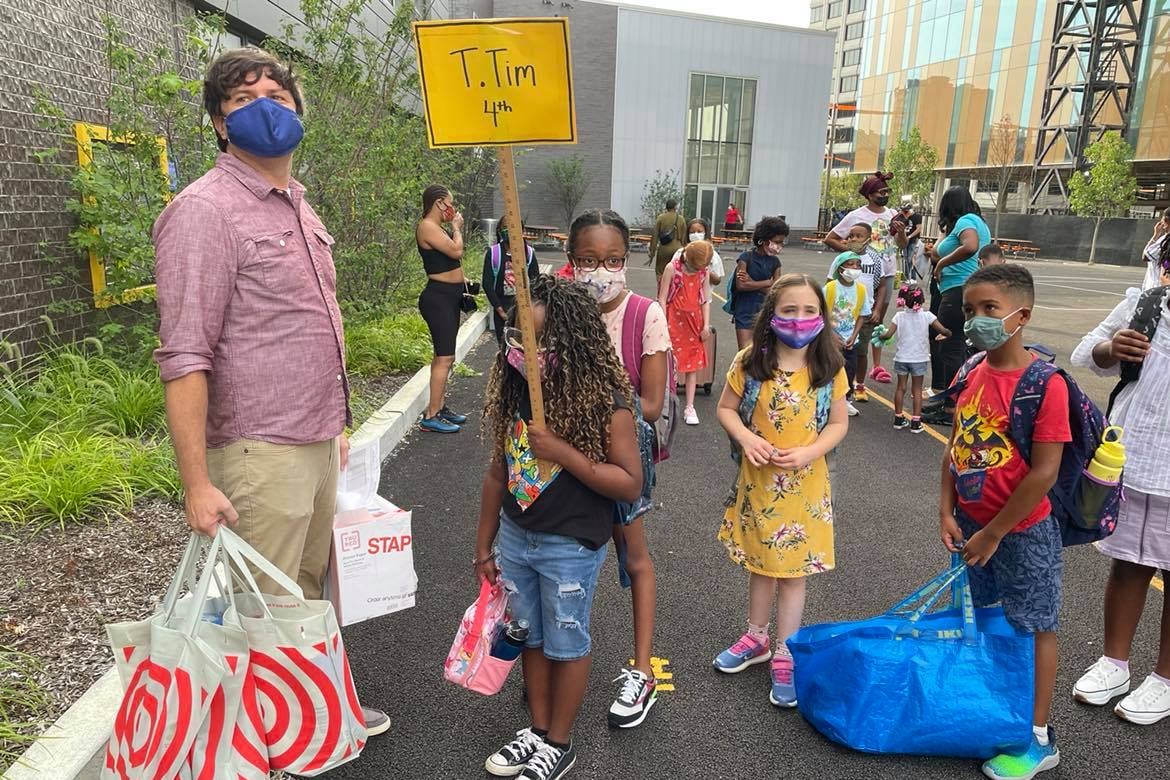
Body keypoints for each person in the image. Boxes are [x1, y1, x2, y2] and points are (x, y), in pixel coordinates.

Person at [152, 46, 389, 735]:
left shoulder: (298, 205)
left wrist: (336, 427)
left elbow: (305, 327)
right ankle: (264, 748)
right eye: (244, 100)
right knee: (263, 606)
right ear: (221, 126)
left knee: (303, 596)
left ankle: (313, 718)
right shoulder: (205, 211)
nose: (266, 108)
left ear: (298, 111)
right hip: (258, 448)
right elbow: (185, 354)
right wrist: (196, 482)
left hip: (313, 440)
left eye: (277, 97)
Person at [475, 276, 642, 780]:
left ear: (570, 344)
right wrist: (483, 546)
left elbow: (629, 484)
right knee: (528, 637)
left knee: (566, 640)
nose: (527, 351)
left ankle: (560, 742)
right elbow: (497, 474)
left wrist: (565, 454)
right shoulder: (516, 397)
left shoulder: (606, 405)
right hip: (515, 538)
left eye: (540, 342)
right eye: (518, 340)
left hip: (569, 545)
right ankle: (538, 728)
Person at [940, 264, 1070, 780]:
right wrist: (947, 510)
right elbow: (956, 446)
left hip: (1022, 532)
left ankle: (1036, 737)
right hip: (974, 527)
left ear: (1022, 315)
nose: (977, 321)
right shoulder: (972, 371)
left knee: (1035, 625)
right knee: (988, 618)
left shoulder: (1045, 384)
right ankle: (997, 708)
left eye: (990, 309)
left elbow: (1044, 473)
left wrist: (994, 533)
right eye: (971, 310)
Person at [714, 274, 849, 708]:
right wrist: (747, 439)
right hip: (759, 485)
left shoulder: (830, 367)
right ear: (772, 314)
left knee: (793, 573)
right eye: (789, 310)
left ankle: (786, 650)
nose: (799, 318)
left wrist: (811, 451)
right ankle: (756, 638)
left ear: (822, 317)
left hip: (806, 487)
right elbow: (726, 409)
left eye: (810, 310)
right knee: (761, 563)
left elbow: (839, 423)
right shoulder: (751, 361)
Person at [566, 207, 669, 730]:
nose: (599, 271)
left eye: (611, 260)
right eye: (587, 260)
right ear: (570, 262)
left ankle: (642, 670)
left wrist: (595, 406)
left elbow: (651, 405)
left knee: (634, 557)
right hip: (564, 462)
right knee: (565, 561)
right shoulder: (559, 309)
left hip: (621, 460)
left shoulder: (644, 314)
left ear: (626, 260)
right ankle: (555, 661)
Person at [1069, 248, 1170, 726]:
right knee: (1129, 562)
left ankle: (1164, 679)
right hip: (1134, 456)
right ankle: (1115, 662)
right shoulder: (1147, 304)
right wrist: (1111, 349)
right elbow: (1085, 349)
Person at [823, 172, 907, 392]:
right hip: (859, 272)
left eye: (888, 192)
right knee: (852, 315)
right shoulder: (856, 216)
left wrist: (901, 234)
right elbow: (830, 238)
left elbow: (902, 244)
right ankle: (844, 368)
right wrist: (851, 253)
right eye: (882, 192)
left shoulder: (893, 214)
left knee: (873, 319)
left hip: (886, 272)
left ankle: (868, 368)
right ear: (870, 194)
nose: (886, 195)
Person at [927, 186, 992, 415]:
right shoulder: (978, 222)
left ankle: (952, 406)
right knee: (963, 347)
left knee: (949, 344)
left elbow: (971, 246)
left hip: (958, 290)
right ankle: (960, 398)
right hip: (968, 288)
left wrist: (943, 263)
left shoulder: (966, 221)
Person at [416, 183, 469, 434]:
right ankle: (432, 415)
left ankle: (439, 406)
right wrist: (456, 228)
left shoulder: (435, 228)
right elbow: (456, 251)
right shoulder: (427, 226)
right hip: (438, 298)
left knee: (447, 356)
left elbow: (448, 260)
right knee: (443, 357)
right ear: (439, 203)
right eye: (450, 202)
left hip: (450, 295)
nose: (452, 208)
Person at [875, 283, 950, 433]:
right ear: (922, 300)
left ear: (902, 300)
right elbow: (943, 330)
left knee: (900, 388)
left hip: (902, 358)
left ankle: (898, 418)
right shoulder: (927, 316)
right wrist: (947, 334)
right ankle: (916, 421)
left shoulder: (898, 316)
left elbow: (888, 335)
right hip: (919, 358)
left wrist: (880, 334)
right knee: (916, 390)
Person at [660, 240, 713, 426]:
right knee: (668, 364)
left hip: (694, 323)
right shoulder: (672, 268)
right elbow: (662, 298)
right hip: (672, 321)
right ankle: (667, 403)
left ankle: (689, 406)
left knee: (692, 367)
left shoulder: (703, 272)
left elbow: (705, 299)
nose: (700, 269)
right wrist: (661, 324)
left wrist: (706, 325)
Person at [729, 216, 787, 349]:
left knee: (762, 353)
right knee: (744, 352)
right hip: (744, 311)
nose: (779, 246)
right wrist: (767, 282)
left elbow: (776, 292)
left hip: (765, 312)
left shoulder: (775, 262)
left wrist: (752, 283)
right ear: (765, 240)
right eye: (777, 242)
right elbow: (741, 285)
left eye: (782, 242)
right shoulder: (745, 258)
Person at [824, 251, 867, 417]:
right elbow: (821, 313)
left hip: (850, 339)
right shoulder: (830, 288)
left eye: (857, 265)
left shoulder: (861, 290)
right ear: (840, 268)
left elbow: (862, 314)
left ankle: (845, 401)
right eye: (850, 264)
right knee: (829, 370)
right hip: (830, 339)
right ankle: (826, 400)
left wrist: (854, 335)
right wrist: (832, 336)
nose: (855, 268)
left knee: (850, 370)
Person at [483, 221, 539, 348]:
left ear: (522, 231)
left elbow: (536, 281)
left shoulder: (529, 253)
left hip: (523, 310)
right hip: (502, 309)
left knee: (523, 348)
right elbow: (487, 284)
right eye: (505, 227)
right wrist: (500, 310)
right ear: (499, 230)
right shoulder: (494, 253)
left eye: (513, 226)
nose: (509, 230)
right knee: (504, 346)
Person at [674, 216, 724, 285]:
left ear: (705, 233)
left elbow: (717, 281)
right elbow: (671, 273)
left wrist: (703, 267)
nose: (696, 234)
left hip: (704, 293)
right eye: (692, 232)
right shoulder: (680, 252)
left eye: (699, 231)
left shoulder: (712, 254)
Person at [648, 199, 685, 278]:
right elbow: (684, 237)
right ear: (675, 207)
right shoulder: (681, 219)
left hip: (664, 249)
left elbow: (655, 235)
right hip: (677, 249)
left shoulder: (661, 218)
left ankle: (662, 288)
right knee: (676, 272)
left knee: (661, 272)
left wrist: (652, 252)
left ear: (666, 207)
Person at [1141, 210, 1169, 291]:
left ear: (1166, 220)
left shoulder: (1165, 240)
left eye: (1162, 220)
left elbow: (1145, 256)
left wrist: (1155, 235)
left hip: (1156, 289)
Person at [897, 203, 923, 279]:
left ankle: (913, 277)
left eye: (906, 211)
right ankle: (906, 277)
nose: (905, 212)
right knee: (905, 259)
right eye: (904, 211)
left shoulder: (917, 216)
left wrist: (909, 236)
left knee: (910, 258)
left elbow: (919, 229)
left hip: (913, 240)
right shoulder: (903, 217)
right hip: (905, 240)